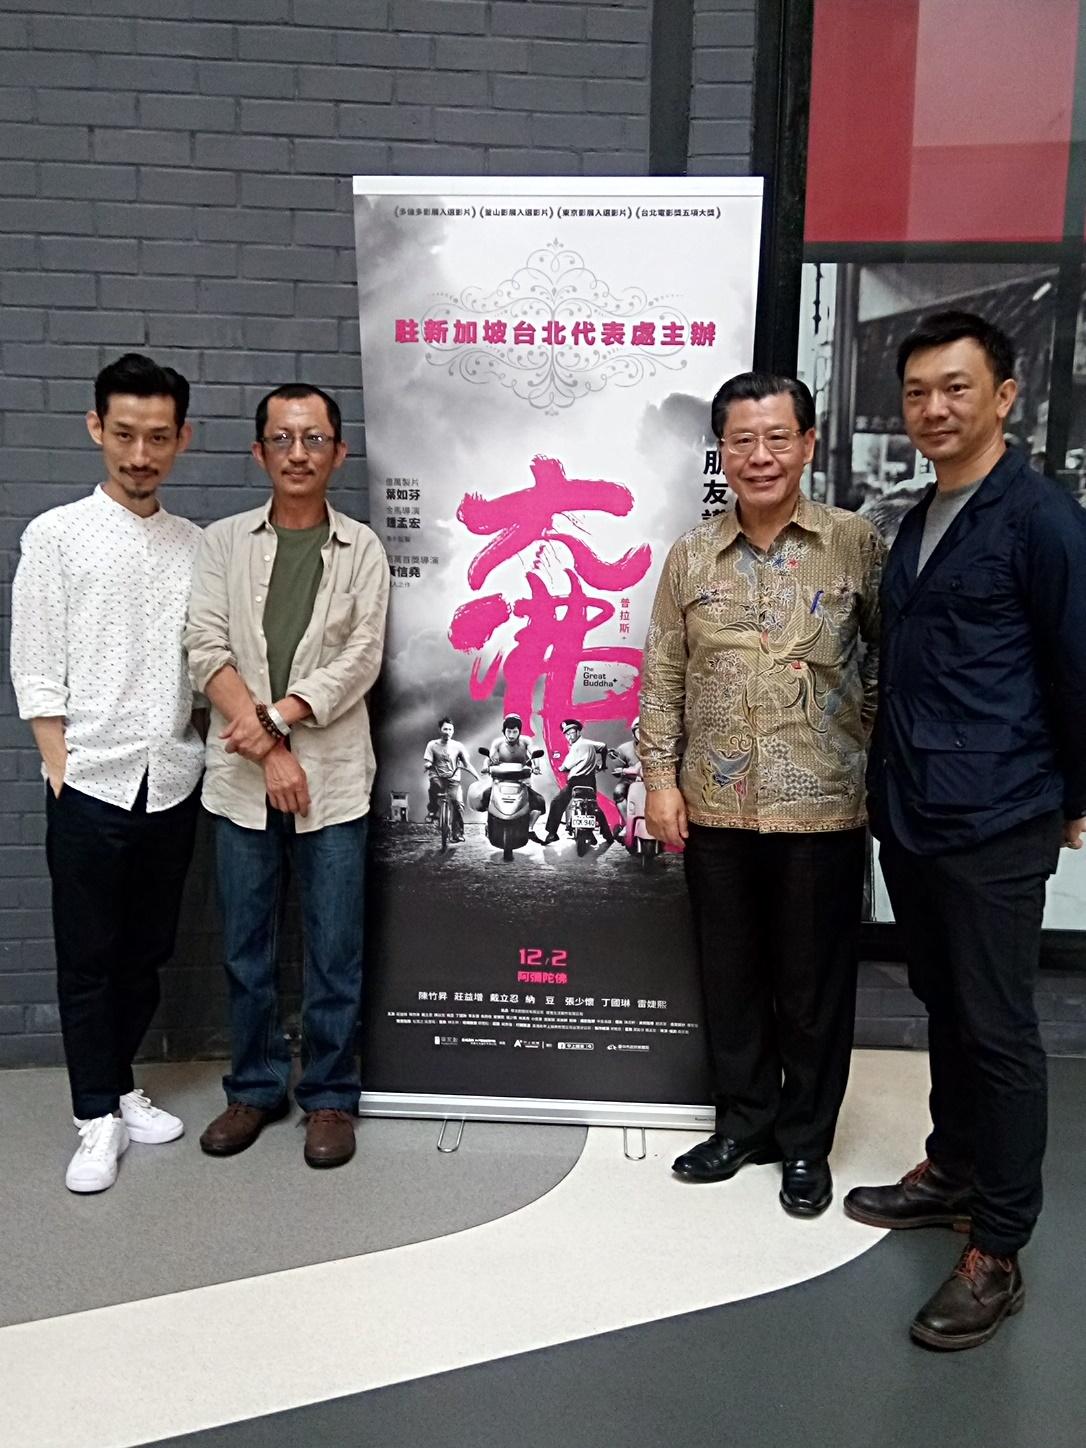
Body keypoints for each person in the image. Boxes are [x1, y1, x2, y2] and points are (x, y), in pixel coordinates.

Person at [845, 311, 1086, 1349]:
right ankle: (954, 1165)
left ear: (1006, 394)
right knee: (945, 999)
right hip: (916, 810)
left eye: (955, 388)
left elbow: (1077, 668)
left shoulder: (1041, 519)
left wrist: (1074, 796)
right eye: (918, 393)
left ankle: (1000, 1243)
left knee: (999, 1025)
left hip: (997, 815)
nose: (934, 408)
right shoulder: (923, 511)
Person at [640, 371, 885, 1216]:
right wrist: (658, 782)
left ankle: (805, 1142)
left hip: (822, 805)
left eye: (778, 437)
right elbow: (662, 674)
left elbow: (888, 666)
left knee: (813, 986)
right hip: (714, 806)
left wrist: (869, 763)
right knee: (731, 976)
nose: (760, 455)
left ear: (809, 444)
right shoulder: (692, 553)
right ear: (722, 451)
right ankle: (743, 1121)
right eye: (741, 440)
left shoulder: (857, 544)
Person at [9, 353, 202, 1194]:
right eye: (124, 434)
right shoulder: (55, 536)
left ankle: (123, 1086)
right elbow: (35, 662)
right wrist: (59, 763)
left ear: (181, 440)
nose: (140, 453)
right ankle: (95, 1115)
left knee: (146, 952)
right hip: (88, 781)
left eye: (158, 437)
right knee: (88, 956)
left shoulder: (196, 546)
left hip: (171, 779)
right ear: (96, 429)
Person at [184, 383, 389, 1170]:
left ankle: (331, 1097)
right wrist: (270, 749)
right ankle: (255, 1088)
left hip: (332, 778)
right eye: (282, 438)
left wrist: (282, 721)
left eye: (313, 439)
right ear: (258, 450)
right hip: (243, 780)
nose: (297, 453)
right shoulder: (223, 543)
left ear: (338, 452)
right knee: (245, 946)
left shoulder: (361, 548)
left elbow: (360, 658)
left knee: (335, 949)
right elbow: (205, 646)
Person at [536, 719, 614, 846]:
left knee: (557, 802)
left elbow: (565, 766)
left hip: (576, 782)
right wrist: (602, 765)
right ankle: (607, 835)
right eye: (567, 734)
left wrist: (561, 768)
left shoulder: (576, 747)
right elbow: (604, 747)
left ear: (578, 732)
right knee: (594, 807)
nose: (569, 736)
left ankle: (552, 833)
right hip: (590, 782)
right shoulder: (590, 743)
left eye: (572, 732)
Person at [423, 716, 478, 842]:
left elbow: (467, 764)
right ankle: (432, 812)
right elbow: (428, 760)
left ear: (453, 731)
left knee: (457, 803)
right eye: (445, 729)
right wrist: (427, 764)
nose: (447, 731)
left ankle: (457, 834)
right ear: (440, 730)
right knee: (434, 786)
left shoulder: (458, 746)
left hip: (453, 779)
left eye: (450, 729)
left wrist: (477, 776)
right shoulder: (432, 744)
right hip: (437, 776)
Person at [609, 718, 641, 824]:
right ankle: (628, 823)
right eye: (639, 731)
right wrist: (619, 768)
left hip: (654, 777)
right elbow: (617, 764)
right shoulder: (625, 748)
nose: (642, 734)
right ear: (633, 733)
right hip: (630, 779)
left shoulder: (656, 747)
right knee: (619, 792)